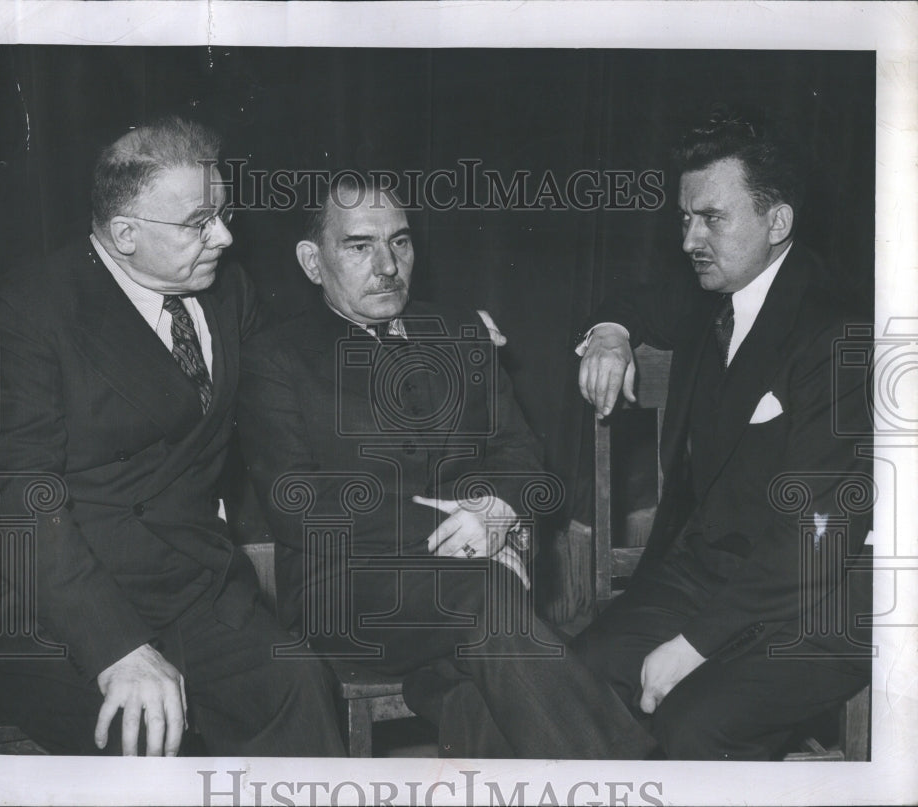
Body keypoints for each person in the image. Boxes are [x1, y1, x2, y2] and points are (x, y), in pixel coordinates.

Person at [239, 174, 655, 758]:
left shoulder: (461, 332)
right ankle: (631, 781)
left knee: (472, 689)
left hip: (474, 591)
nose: (387, 265)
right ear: (313, 261)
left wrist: (501, 510)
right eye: (360, 246)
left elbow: (525, 459)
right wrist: (469, 540)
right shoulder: (275, 359)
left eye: (400, 242)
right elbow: (302, 506)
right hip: (347, 594)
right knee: (487, 598)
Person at [0, 117, 344, 756]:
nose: (223, 237)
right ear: (125, 234)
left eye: (222, 215)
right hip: (62, 612)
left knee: (298, 688)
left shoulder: (226, 291)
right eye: (199, 223)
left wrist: (436, 335)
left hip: (195, 589)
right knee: (143, 744)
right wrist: (116, 647)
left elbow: (296, 378)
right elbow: (17, 499)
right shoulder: (29, 311)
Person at [574, 105, 872, 759]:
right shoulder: (710, 291)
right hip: (700, 573)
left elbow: (815, 540)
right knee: (575, 680)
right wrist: (611, 334)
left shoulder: (836, 331)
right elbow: (634, 302)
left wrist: (693, 646)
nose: (689, 239)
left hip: (809, 600)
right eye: (685, 217)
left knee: (693, 723)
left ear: (778, 220)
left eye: (712, 217)